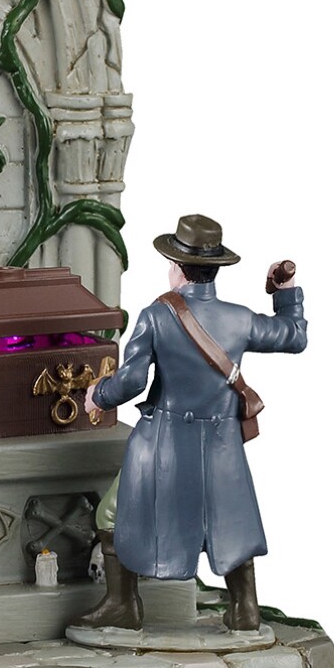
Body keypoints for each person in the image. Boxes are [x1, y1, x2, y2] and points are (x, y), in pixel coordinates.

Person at [82, 214, 307, 631]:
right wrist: (286, 291)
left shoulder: (155, 316)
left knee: (110, 515)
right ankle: (245, 609)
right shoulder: (239, 318)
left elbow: (131, 381)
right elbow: (294, 336)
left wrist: (98, 394)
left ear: (176, 267)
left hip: (163, 446)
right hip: (222, 446)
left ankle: (122, 604)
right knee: (232, 520)